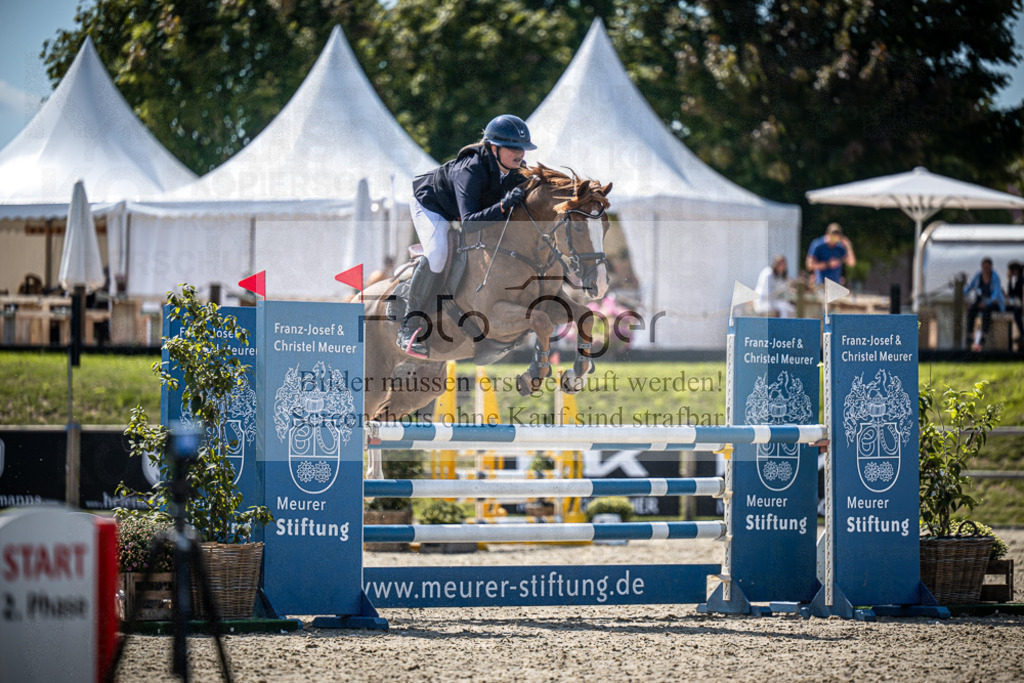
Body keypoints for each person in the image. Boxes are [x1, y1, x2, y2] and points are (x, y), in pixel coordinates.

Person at [397, 114, 536, 358]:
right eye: (513, 148)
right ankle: (409, 326)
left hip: (463, 211)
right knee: (438, 253)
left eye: (523, 148)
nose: (520, 153)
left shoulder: (517, 171)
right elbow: (470, 223)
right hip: (431, 205)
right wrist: (503, 207)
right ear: (493, 148)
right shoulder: (470, 169)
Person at [964, 257, 1005, 351]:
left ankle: (984, 335)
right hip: (982, 302)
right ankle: (969, 334)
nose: (986, 269)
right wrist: (962, 292)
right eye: (984, 266)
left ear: (991, 267)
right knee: (972, 310)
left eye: (987, 266)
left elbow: (996, 293)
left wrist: (986, 302)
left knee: (987, 310)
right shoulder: (978, 276)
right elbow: (970, 286)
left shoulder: (995, 277)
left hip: (994, 303)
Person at [1005, 261, 1022, 350]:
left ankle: (1022, 334)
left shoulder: (1021, 280)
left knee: (1016, 312)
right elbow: (1011, 294)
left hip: (1019, 305)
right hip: (1014, 304)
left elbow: (1018, 294)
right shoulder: (1014, 280)